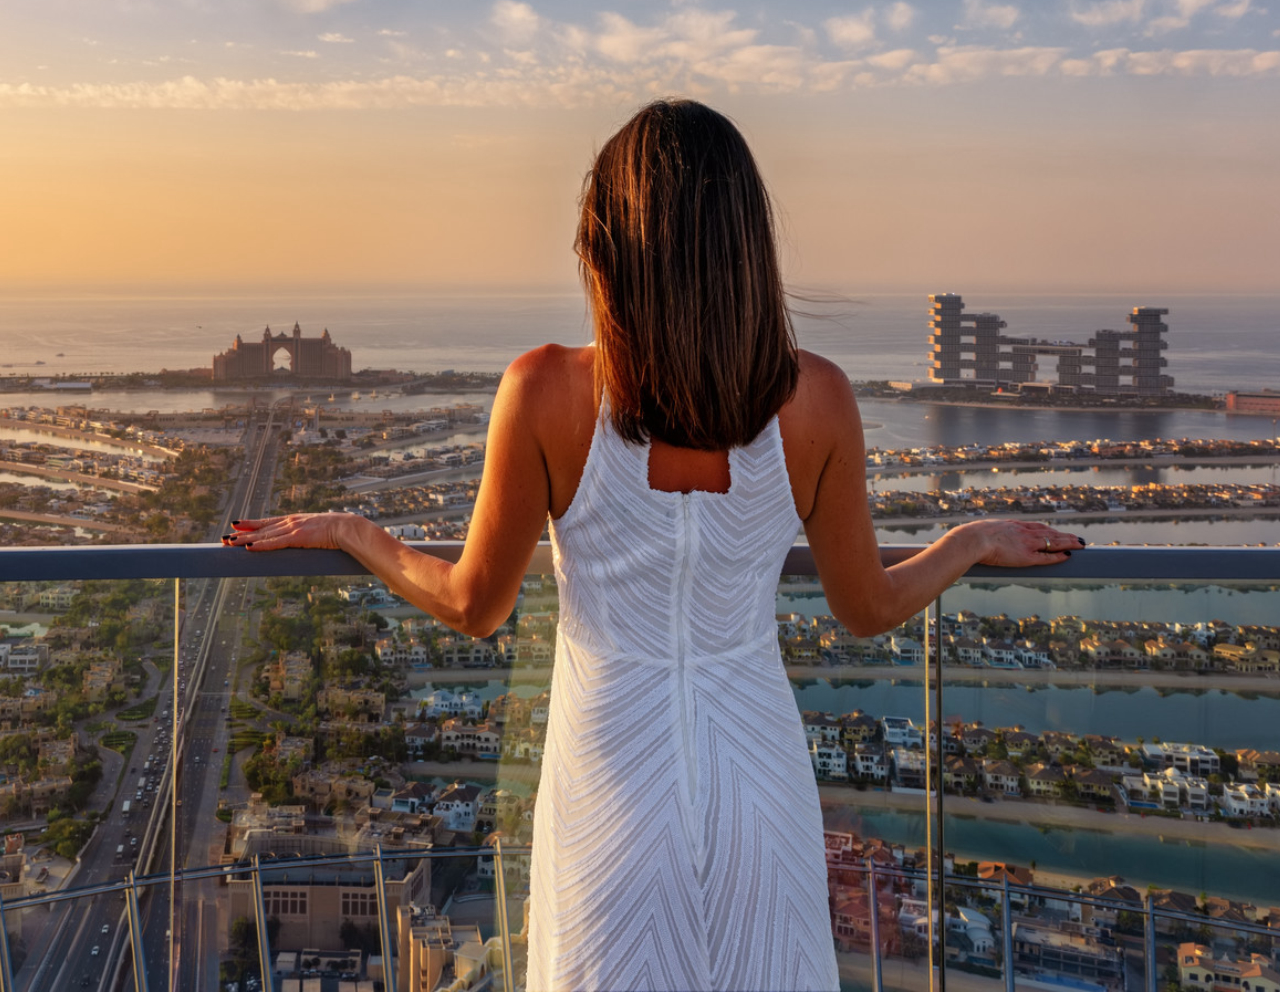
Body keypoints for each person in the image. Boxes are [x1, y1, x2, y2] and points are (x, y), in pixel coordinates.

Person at [227, 99, 1081, 991]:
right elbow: (867, 606)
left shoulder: (544, 392)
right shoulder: (817, 399)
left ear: (611, 249)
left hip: (607, 796)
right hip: (760, 787)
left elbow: (474, 604)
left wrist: (353, 531)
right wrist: (972, 537)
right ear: (747, 248)